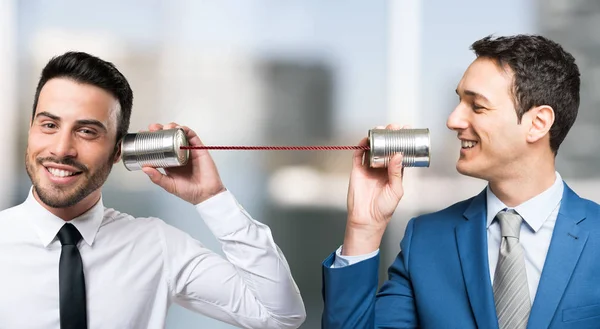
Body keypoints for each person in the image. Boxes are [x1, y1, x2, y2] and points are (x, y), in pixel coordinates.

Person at [0, 51, 306, 329]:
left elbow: (280, 316)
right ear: (30, 130)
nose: (62, 149)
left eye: (87, 132)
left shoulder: (157, 246)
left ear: (119, 150)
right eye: (49, 125)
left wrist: (212, 198)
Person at [321, 34, 600, 329]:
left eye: (477, 106)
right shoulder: (426, 241)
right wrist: (363, 229)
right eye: (458, 101)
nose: (453, 120)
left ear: (538, 123)